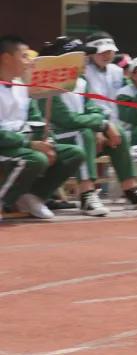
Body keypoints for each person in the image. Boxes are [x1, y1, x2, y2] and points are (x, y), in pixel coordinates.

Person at [39, 37, 137, 215]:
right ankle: (87, 194)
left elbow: (94, 109)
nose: (85, 59)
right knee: (84, 133)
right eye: (81, 56)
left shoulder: (82, 81)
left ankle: (132, 191)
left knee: (116, 131)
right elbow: (65, 119)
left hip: (81, 131)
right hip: (55, 136)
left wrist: (103, 126)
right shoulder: (47, 83)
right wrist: (101, 125)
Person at [0, 35, 86, 220]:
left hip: (22, 144)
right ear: (6, 58)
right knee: (35, 159)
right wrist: (30, 144)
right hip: (6, 145)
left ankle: (33, 197)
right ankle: (4, 200)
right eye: (24, 56)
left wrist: (49, 142)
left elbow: (35, 119)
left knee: (74, 153)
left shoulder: (22, 86)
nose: (29, 61)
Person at [82, 32, 125, 121]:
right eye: (101, 52)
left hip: (118, 122)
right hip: (96, 123)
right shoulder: (84, 72)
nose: (106, 55)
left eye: (109, 51)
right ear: (90, 54)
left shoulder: (117, 71)